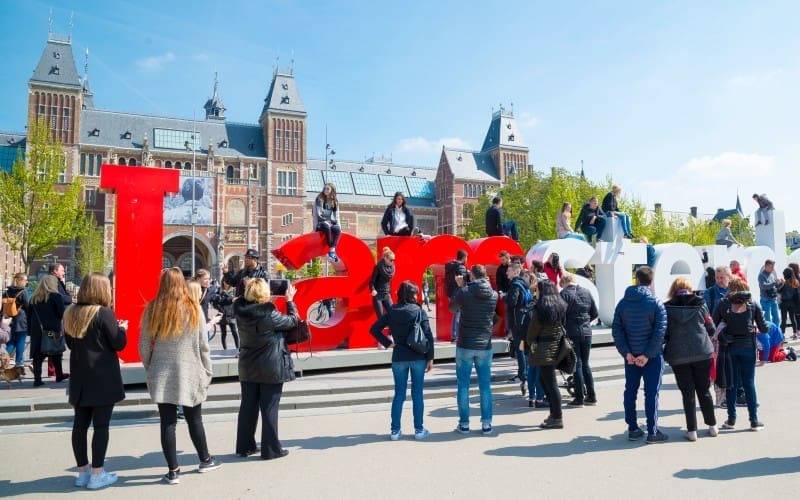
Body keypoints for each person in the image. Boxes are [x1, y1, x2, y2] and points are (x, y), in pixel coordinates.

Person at [139, 268, 220, 485]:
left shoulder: (152, 308)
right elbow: (203, 345)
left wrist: (150, 366)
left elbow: (144, 344)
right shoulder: (193, 308)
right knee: (195, 419)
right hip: (190, 370)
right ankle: (205, 459)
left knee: (168, 422)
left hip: (161, 371)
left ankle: (173, 471)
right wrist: (208, 370)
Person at [64, 273, 127, 489]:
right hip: (102, 377)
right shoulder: (103, 313)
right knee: (101, 426)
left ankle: (83, 472)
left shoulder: (71, 312)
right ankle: (97, 474)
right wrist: (122, 329)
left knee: (79, 426)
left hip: (80, 377)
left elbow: (70, 344)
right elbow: (118, 343)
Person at [233, 278, 300, 459]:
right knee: (269, 408)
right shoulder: (269, 314)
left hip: (248, 366)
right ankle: (271, 450)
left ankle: (245, 446)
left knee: (248, 407)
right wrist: (290, 301)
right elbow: (293, 321)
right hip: (271, 367)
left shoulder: (240, 311)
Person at [370, 281, 435, 440]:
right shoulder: (419, 311)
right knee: (417, 394)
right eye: (416, 293)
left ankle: (395, 431)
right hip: (418, 357)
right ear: (412, 295)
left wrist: (388, 343)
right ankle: (419, 430)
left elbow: (374, 329)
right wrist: (430, 358)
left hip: (399, 356)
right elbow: (428, 335)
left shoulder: (392, 311)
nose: (417, 296)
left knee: (399, 394)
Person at [611, 266, 668, 443]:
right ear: (651, 281)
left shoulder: (623, 303)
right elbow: (660, 333)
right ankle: (652, 431)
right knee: (651, 394)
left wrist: (626, 352)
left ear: (636, 280)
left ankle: (633, 428)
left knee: (630, 391)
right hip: (652, 357)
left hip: (631, 357)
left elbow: (617, 330)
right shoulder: (656, 303)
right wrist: (647, 354)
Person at [663, 277, 717, 441]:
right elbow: (711, 328)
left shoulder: (667, 307)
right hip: (702, 351)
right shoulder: (701, 304)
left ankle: (692, 430)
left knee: (687, 393)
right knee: (704, 390)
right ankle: (712, 426)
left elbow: (665, 333)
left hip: (678, 355)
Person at [712, 280, 768, 431]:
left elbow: (711, 325)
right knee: (749, 383)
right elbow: (764, 328)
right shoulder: (753, 303)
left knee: (732, 384)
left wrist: (722, 332)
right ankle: (754, 421)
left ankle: (731, 420)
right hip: (749, 347)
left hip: (729, 348)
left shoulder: (723, 303)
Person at [449, 264, 498, 435]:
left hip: (465, 344)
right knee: (485, 386)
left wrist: (460, 287)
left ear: (471, 276)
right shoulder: (494, 295)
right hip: (485, 345)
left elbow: (452, 308)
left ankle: (464, 425)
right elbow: (494, 317)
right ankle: (486, 424)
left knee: (463, 385)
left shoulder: (464, 292)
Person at [527, 280, 567, 429]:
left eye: (537, 290)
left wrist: (531, 342)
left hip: (544, 348)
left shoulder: (540, 308)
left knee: (550, 383)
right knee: (545, 381)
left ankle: (557, 417)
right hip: (556, 346)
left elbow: (532, 332)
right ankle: (554, 414)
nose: (536, 292)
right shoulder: (561, 305)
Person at [560, 273, 599, 407]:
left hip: (572, 333)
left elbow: (560, 315)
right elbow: (594, 313)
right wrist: (585, 322)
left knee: (577, 364)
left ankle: (579, 398)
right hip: (587, 332)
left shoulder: (564, 294)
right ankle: (592, 396)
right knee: (585, 364)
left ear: (564, 282)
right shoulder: (587, 292)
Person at [27, 275, 68, 386]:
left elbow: (29, 316)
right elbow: (61, 313)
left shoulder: (33, 298)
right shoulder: (56, 296)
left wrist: (30, 331)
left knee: (38, 355)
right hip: (52, 329)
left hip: (37, 330)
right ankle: (59, 375)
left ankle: (37, 379)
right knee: (56, 352)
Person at [505, 261, 530, 389]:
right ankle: (526, 373)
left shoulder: (515, 285)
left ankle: (522, 375)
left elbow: (512, 302)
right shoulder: (524, 283)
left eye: (509, 271)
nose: (506, 273)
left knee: (520, 349)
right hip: (524, 320)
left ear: (515, 272)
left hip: (517, 322)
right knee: (523, 348)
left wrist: (504, 297)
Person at [2, 273, 29, 367]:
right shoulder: (23, 292)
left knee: (12, 341)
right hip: (21, 320)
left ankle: (3, 357)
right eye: (25, 280)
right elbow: (27, 306)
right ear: (20, 280)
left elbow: (3, 307)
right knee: (21, 341)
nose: (26, 282)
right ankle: (19, 362)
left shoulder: (6, 292)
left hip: (9, 319)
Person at [313, 182, 342, 262]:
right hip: (321, 223)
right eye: (324, 188)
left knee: (337, 229)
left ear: (331, 190)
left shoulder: (335, 201)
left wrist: (339, 226)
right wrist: (314, 228)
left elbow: (337, 215)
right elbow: (315, 215)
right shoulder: (318, 200)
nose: (325, 190)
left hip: (330, 222)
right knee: (326, 226)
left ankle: (332, 251)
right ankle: (329, 247)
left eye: (327, 189)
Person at [444, 250, 469, 343]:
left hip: (450, 293)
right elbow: (463, 281)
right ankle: (455, 336)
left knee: (456, 313)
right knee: (458, 314)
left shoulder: (449, 266)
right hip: (458, 293)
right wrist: (468, 274)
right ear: (464, 257)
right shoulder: (460, 267)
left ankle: (455, 335)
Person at [212, 280, 240, 351]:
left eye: (228, 281)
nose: (226, 283)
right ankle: (225, 349)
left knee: (234, 332)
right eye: (225, 281)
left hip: (231, 313)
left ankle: (238, 348)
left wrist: (227, 297)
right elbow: (215, 302)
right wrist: (220, 308)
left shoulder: (234, 290)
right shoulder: (219, 290)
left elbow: (235, 300)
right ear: (223, 282)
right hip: (223, 313)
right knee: (223, 333)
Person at [370, 247, 396, 320]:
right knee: (381, 318)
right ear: (385, 258)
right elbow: (372, 282)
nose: (392, 262)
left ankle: (391, 328)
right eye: (391, 260)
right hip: (378, 296)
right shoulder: (378, 267)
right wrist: (373, 290)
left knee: (393, 314)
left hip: (387, 294)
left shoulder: (392, 268)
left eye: (393, 260)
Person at [757, 259, 781, 325]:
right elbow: (763, 286)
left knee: (776, 318)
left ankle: (776, 330)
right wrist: (774, 283)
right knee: (767, 319)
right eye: (771, 267)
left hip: (773, 298)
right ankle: (769, 331)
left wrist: (780, 284)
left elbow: (775, 287)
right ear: (766, 266)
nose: (773, 268)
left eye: (773, 266)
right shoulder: (761, 275)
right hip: (765, 299)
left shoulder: (772, 274)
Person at [779, 267, 800, 339]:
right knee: (793, 318)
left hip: (784, 303)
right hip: (792, 303)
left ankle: (782, 334)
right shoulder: (796, 282)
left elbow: (779, 290)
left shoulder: (785, 283)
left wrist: (780, 283)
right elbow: (797, 294)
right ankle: (795, 333)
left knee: (784, 319)